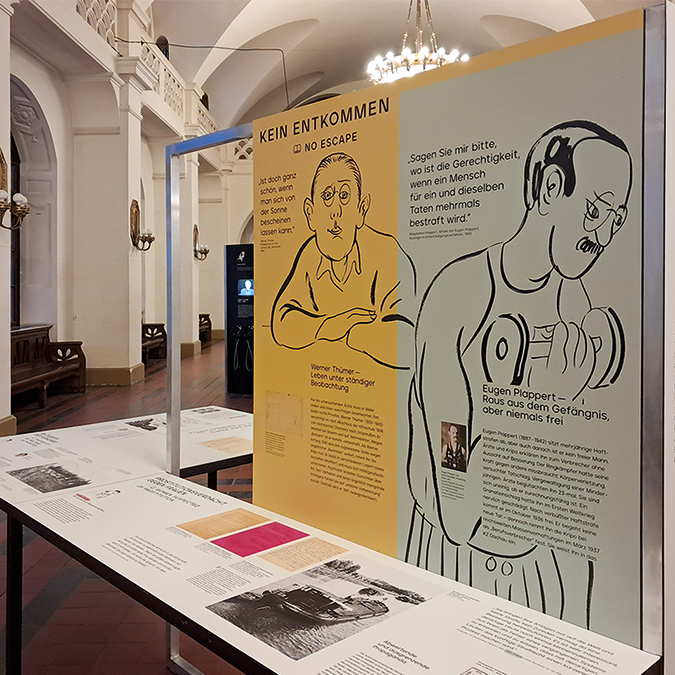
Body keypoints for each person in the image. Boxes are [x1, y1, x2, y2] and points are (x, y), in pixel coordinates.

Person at [405, 121, 633, 627]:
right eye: (595, 210)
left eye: (615, 220)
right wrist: (539, 405)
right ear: (551, 188)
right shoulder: (458, 296)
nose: (602, 235)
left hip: (542, 568)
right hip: (456, 565)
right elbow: (457, 508)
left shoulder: (574, 302)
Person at [271, 153, 416, 369]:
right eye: (327, 196)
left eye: (345, 196)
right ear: (310, 213)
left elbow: (409, 341)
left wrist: (352, 333)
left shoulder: (386, 252)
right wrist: (331, 326)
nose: (335, 211)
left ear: (361, 209)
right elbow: (282, 323)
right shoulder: (310, 253)